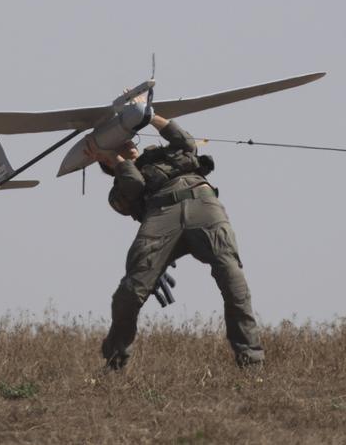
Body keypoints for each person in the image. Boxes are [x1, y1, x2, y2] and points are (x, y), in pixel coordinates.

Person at [85, 93, 265, 370]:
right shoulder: (117, 189)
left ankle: (251, 361)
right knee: (130, 292)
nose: (130, 144)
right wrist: (115, 160)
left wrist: (148, 114)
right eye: (122, 146)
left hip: (201, 203)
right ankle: (115, 361)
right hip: (160, 216)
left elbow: (185, 141)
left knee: (233, 281)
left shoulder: (165, 153)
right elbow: (133, 185)